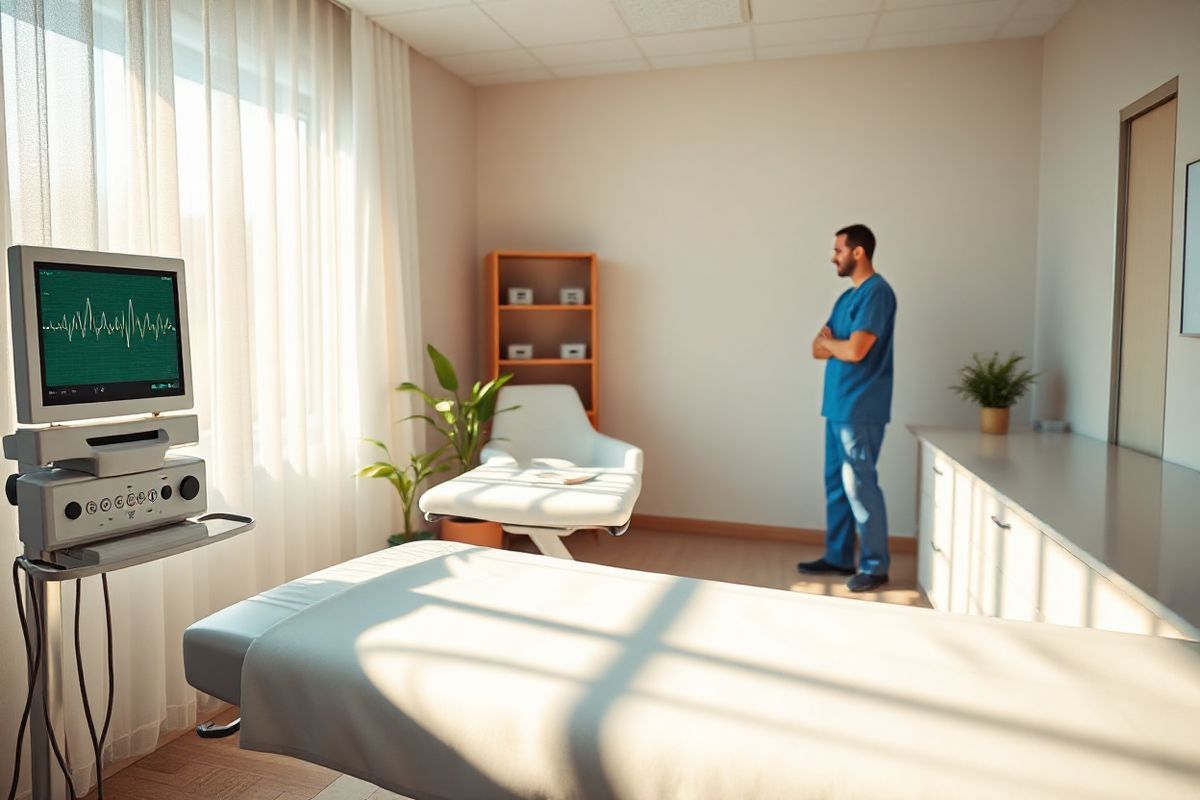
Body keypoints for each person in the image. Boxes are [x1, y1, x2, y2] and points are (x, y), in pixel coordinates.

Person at [798, 224, 897, 592]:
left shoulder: (877, 294)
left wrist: (835, 344)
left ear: (858, 252)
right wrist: (838, 344)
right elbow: (815, 348)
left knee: (860, 485)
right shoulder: (845, 298)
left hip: (861, 407)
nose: (833, 256)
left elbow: (856, 351)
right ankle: (839, 556)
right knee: (836, 485)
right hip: (837, 406)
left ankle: (875, 566)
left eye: (838, 250)